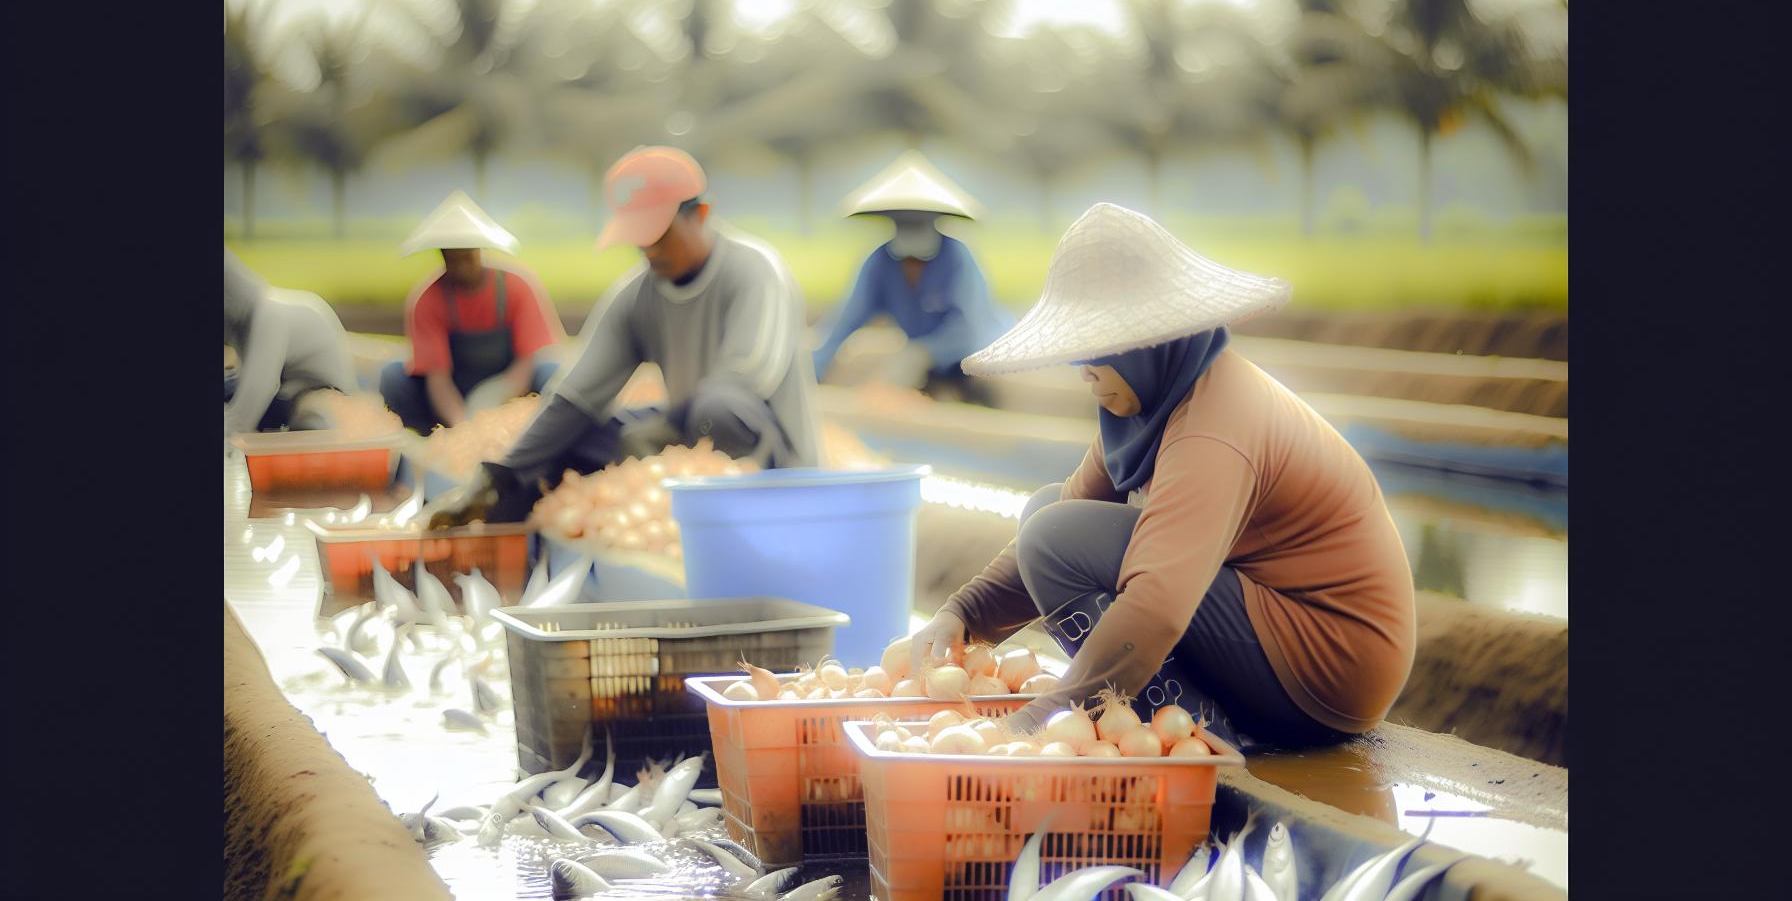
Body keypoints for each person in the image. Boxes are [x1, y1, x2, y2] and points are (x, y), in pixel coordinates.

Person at [910, 203, 1416, 752]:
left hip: (1327, 667)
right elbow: (1067, 513)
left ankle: (1193, 726)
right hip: (1274, 629)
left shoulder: (1212, 425)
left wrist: (1043, 719)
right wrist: (964, 614)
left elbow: (1157, 601)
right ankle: (1162, 713)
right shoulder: (1154, 403)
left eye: (1096, 349)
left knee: (1055, 539)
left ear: (1145, 343)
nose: (1085, 370)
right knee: (1047, 513)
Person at [426, 146, 820, 528]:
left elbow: (745, 382)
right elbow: (575, 395)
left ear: (700, 214)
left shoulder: (755, 271)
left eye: (660, 236)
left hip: (770, 455)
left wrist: (665, 430)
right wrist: (500, 476)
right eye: (640, 238)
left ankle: (736, 523)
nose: (649, 250)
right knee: (574, 434)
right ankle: (510, 519)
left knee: (715, 410)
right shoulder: (638, 295)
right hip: (687, 440)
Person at [810, 151, 1012, 405]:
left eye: (920, 262)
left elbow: (971, 330)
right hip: (926, 371)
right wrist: (812, 374)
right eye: (906, 261)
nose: (912, 267)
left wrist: (922, 353)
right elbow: (844, 323)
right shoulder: (880, 263)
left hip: (976, 364)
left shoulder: (958, 258)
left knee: (978, 400)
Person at [378, 191, 564, 433]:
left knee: (552, 373)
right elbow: (438, 378)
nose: (461, 268)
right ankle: (425, 440)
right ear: (442, 256)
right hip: (453, 393)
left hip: (510, 387)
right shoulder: (428, 300)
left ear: (479, 250)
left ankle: (542, 436)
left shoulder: (516, 286)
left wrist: (498, 396)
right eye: (452, 260)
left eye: (467, 257)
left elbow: (528, 360)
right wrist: (463, 427)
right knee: (393, 377)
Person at [224, 249, 358, 437]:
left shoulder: (269, 315)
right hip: (289, 389)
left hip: (321, 396)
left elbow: (259, 389)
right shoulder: (243, 327)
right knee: (228, 386)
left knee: (232, 391)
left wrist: (230, 433)